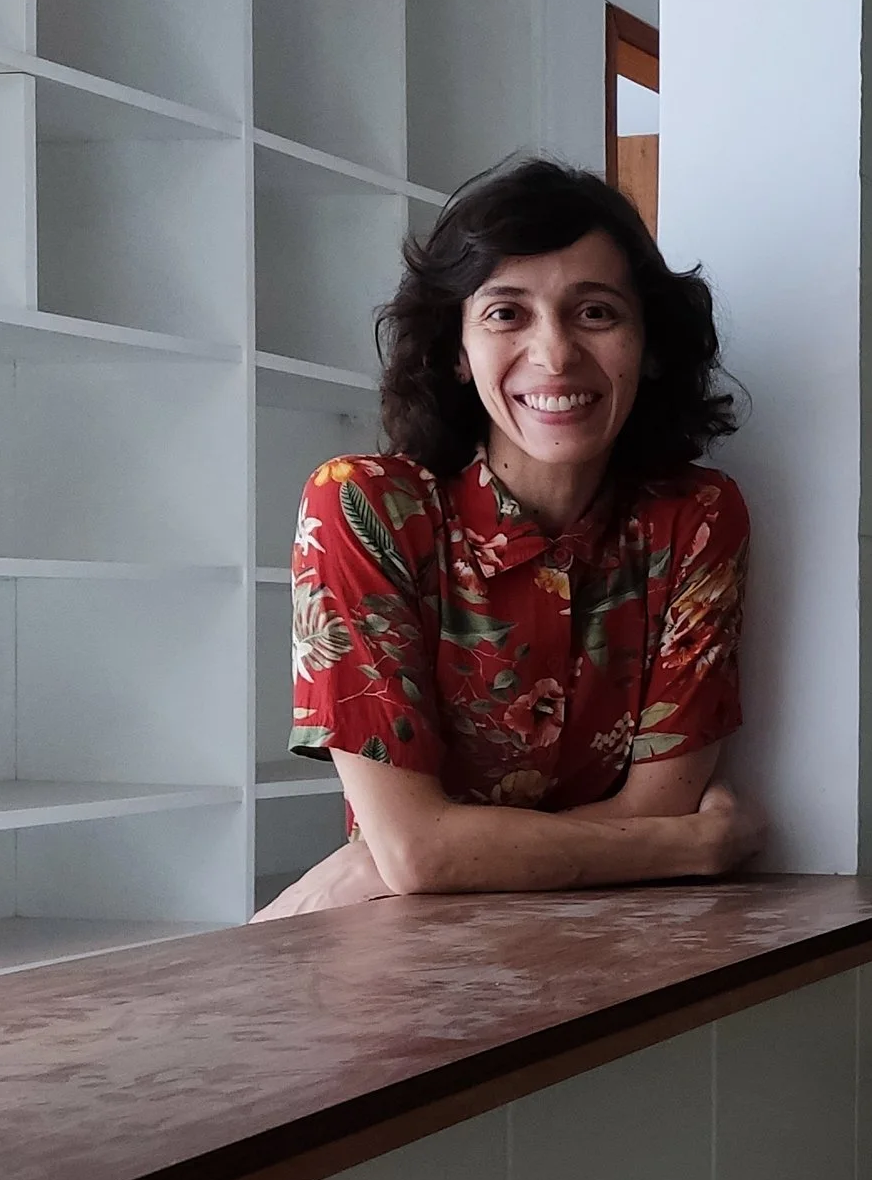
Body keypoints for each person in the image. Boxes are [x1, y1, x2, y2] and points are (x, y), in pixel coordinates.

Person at [257, 158, 764, 917]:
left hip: (623, 944)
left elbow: (657, 802)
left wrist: (420, 855)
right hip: (401, 963)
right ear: (456, 352)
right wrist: (690, 846)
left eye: (596, 312)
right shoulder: (364, 509)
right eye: (506, 313)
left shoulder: (695, 520)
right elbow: (416, 852)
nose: (555, 354)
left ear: (649, 343)